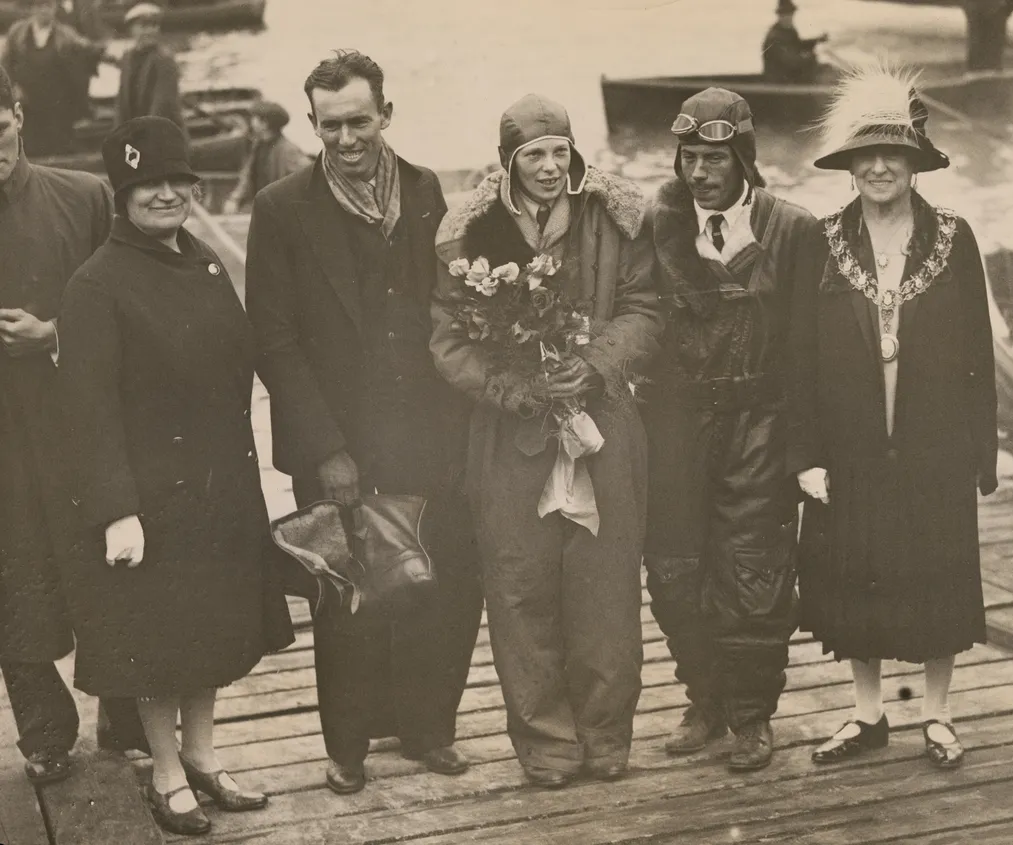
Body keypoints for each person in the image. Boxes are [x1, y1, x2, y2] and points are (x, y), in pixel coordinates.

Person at [244, 50, 484, 795]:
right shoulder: (281, 208)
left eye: (358, 121)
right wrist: (328, 449)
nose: (345, 140)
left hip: (426, 431)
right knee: (348, 598)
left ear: (386, 114)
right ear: (312, 123)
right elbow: (274, 342)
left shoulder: (423, 189)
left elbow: (446, 305)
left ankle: (427, 727)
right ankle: (346, 746)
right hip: (337, 442)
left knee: (438, 585)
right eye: (329, 126)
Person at [57, 116, 294, 836]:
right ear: (122, 196)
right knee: (160, 640)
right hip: (151, 501)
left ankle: (201, 753)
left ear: (194, 186)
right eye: (145, 185)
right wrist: (116, 510)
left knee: (212, 630)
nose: (164, 195)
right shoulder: (96, 284)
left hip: (220, 485)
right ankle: (164, 770)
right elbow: (88, 413)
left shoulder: (205, 261)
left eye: (176, 182)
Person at [431, 93, 662, 788]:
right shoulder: (470, 233)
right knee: (520, 587)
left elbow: (647, 308)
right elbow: (446, 341)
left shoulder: (616, 218)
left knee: (606, 587)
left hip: (603, 427)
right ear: (508, 162)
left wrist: (591, 366)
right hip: (510, 438)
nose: (550, 166)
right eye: (533, 154)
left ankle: (607, 735)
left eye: (560, 151)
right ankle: (547, 743)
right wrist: (516, 388)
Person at [788, 64, 997, 770]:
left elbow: (978, 350)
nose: (878, 166)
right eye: (865, 155)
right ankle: (868, 713)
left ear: (915, 162)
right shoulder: (820, 241)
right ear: (849, 166)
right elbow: (800, 358)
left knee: (936, 571)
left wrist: (981, 449)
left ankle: (937, 715)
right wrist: (805, 454)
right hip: (848, 445)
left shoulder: (954, 236)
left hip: (934, 441)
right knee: (857, 572)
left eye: (892, 153)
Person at [641, 87, 820, 772]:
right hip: (678, 423)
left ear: (744, 157)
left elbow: (811, 349)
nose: (699, 173)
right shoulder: (658, 227)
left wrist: (807, 450)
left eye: (714, 158)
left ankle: (751, 716)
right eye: (688, 157)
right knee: (676, 567)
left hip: (761, 424)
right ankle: (705, 701)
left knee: (754, 573)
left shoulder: (795, 230)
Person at [0, 63, 146, 786]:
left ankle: (123, 716)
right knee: (10, 574)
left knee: (107, 558)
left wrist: (51, 332)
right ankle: (46, 730)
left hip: (76, 420)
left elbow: (126, 303)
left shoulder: (84, 196)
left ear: (18, 114)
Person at [0, 0, 108, 156]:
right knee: (28, 147)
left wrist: (108, 53)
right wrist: (13, 87)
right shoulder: (18, 33)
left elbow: (87, 50)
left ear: (54, 9)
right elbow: (5, 64)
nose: (44, 10)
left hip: (57, 104)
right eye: (39, 5)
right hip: (26, 103)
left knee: (57, 147)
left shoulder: (65, 34)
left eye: (48, 6)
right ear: (33, 8)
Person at [223, 101, 310, 214]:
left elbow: (308, 179)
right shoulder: (257, 145)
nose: (251, 122)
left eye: (255, 119)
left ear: (265, 124)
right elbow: (247, 175)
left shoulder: (288, 150)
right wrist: (234, 199)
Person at [114, 3, 184, 133]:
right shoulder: (127, 58)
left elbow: (162, 104)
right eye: (143, 26)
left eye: (154, 26)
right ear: (132, 30)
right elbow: (122, 102)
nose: (150, 31)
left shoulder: (164, 59)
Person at [762, 0, 829, 84]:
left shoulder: (788, 31)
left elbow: (797, 45)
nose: (789, 18)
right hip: (778, 80)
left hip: (789, 75)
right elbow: (790, 60)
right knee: (816, 71)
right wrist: (809, 57)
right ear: (779, 16)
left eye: (790, 15)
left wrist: (817, 40)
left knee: (825, 69)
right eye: (785, 15)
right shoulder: (774, 37)